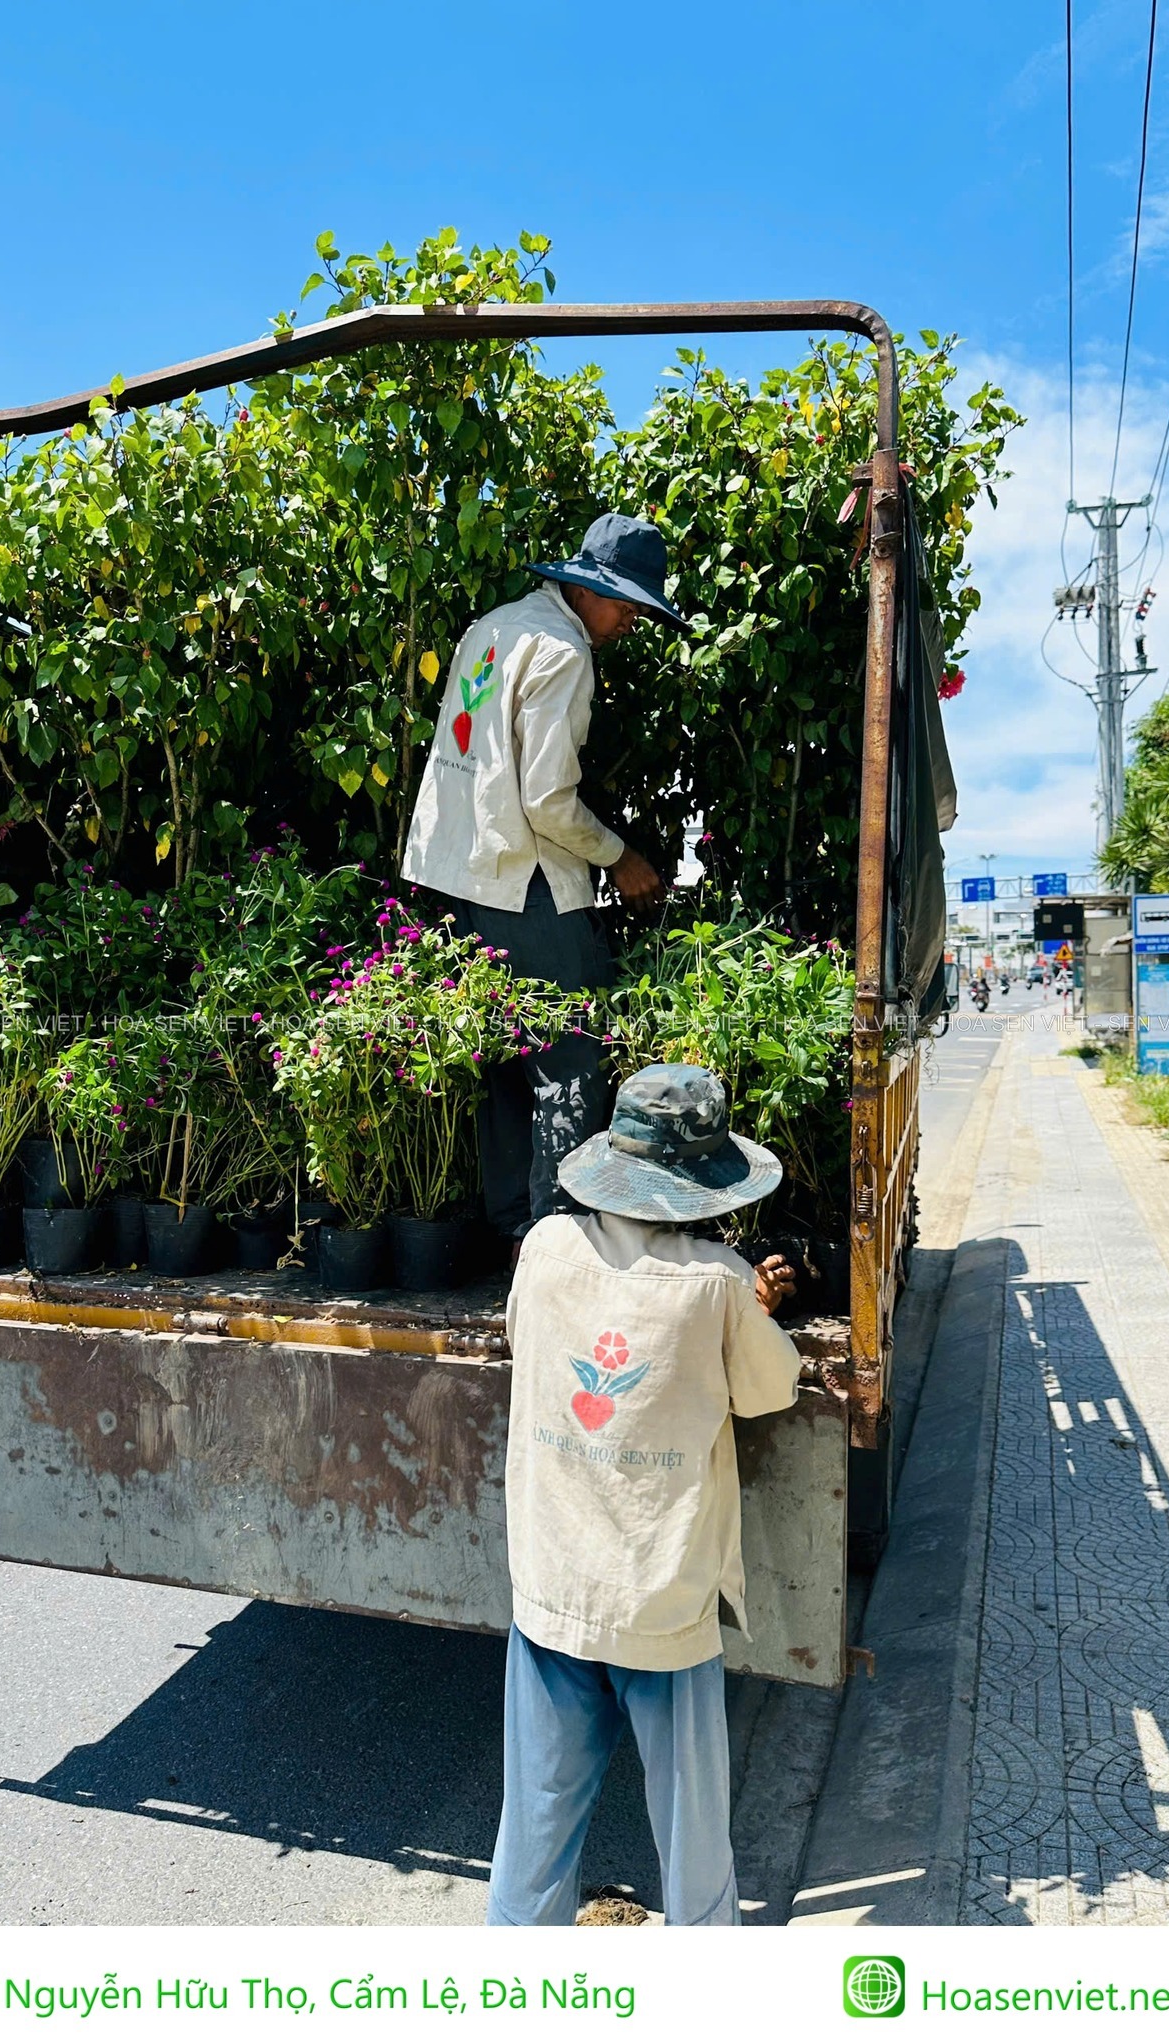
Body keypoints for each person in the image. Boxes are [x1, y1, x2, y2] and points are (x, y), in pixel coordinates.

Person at [486, 1065, 802, 1927]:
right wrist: (761, 1306)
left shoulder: (546, 1248)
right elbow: (771, 1388)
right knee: (693, 1836)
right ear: (705, 1180)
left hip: (555, 1586)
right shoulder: (721, 1283)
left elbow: (526, 1335)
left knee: (536, 1825)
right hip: (661, 1603)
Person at [401, 513, 682, 1247]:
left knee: (504, 1060)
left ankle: (511, 1234)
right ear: (586, 590)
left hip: (461, 876)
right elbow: (547, 800)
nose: (628, 620)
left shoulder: (494, 626)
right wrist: (619, 856)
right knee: (570, 1051)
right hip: (521, 878)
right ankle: (555, 1241)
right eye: (623, 603)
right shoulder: (564, 652)